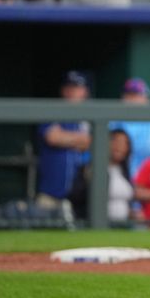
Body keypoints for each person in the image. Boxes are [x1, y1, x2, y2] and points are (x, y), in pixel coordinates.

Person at [36, 71, 91, 209]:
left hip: (79, 198)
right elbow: (53, 137)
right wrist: (80, 140)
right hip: (50, 194)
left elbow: (93, 141)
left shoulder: (88, 118)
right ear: (63, 90)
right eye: (69, 86)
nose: (72, 91)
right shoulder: (52, 112)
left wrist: (66, 138)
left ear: (85, 91)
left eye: (77, 87)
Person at [110, 78, 150, 179]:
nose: (132, 99)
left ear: (146, 98)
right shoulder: (113, 122)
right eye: (129, 94)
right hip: (119, 178)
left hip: (148, 179)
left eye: (137, 95)